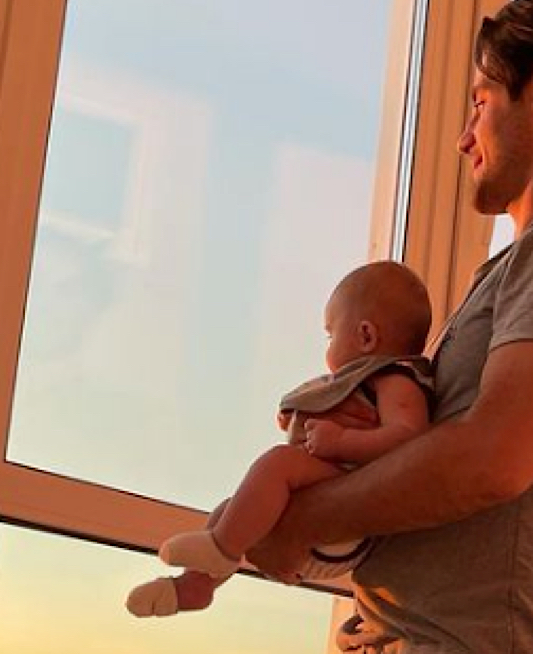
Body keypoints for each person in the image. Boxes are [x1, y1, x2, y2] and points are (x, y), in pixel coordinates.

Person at [248, 0, 533, 652]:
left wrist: (298, 521)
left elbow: (494, 459)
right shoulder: (518, 266)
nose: (463, 138)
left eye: (479, 102)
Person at [126, 260, 434, 618]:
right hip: (326, 504)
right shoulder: (361, 381)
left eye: (331, 335)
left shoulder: (396, 379)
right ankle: (196, 586)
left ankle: (221, 550)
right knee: (232, 510)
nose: (328, 346)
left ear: (365, 336)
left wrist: (341, 440)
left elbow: (409, 439)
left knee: (278, 464)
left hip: (346, 527)